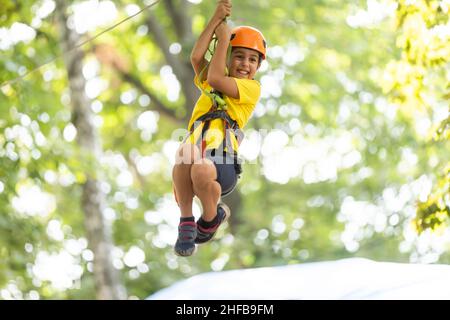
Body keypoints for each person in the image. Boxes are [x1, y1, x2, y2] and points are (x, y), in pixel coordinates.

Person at [172, 0, 267, 256]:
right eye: (239, 56)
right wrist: (216, 19)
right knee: (186, 153)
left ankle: (211, 218)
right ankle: (187, 222)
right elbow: (196, 57)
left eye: (252, 60)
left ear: (258, 67)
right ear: (228, 58)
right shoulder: (214, 80)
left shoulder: (251, 89)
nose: (245, 64)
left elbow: (215, 77)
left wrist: (224, 39)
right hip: (197, 154)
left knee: (203, 169)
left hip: (221, 160)